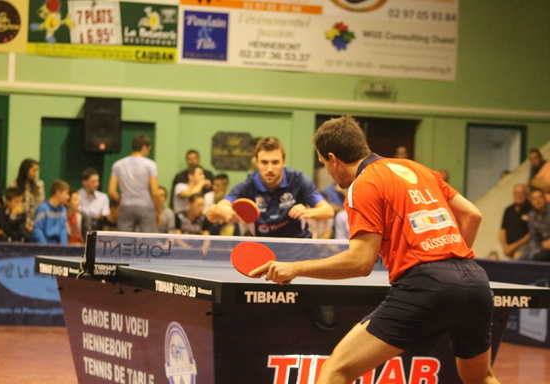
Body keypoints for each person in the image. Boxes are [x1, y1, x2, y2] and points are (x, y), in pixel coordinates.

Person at [252, 116, 500, 384]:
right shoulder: (415, 168)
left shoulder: (364, 184)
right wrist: (448, 261)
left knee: (336, 370)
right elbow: (472, 215)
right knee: (481, 378)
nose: (328, 170)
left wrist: (295, 268)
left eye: (324, 163)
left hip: (426, 285)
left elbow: (360, 262)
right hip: (474, 281)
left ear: (333, 159)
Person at [206, 137, 334, 238]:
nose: (269, 169)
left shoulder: (298, 180)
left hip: (298, 246)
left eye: (275, 162)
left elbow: (328, 211)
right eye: (264, 162)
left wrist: (307, 212)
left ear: (283, 161)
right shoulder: (248, 185)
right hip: (263, 247)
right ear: (256, 162)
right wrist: (221, 211)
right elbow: (212, 214)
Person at [108, 134, 162, 233]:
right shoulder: (150, 165)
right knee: (149, 242)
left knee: (124, 241)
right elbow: (155, 192)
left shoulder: (118, 165)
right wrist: (159, 211)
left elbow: (111, 191)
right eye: (148, 149)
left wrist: (121, 199)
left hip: (126, 205)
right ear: (144, 147)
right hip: (145, 206)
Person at [30, 179, 70, 244]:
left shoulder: (63, 210)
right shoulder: (43, 208)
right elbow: (37, 230)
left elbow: (63, 230)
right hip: (44, 247)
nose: (68, 197)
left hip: (58, 247)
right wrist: (46, 247)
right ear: (58, 193)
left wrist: (63, 246)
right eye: (66, 193)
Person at [499, 184, 531, 259]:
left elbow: (530, 234)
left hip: (524, 246)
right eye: (516, 193)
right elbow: (502, 231)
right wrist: (505, 247)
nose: (518, 196)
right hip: (507, 247)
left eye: (521, 193)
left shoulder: (531, 210)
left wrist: (513, 247)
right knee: (492, 257)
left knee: (517, 257)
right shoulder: (508, 210)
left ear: (526, 195)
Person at [12, 158, 45, 233]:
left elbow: (41, 205)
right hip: (20, 223)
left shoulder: (39, 185)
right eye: (34, 170)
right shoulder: (15, 186)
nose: (36, 173)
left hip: (36, 223)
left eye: (37, 171)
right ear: (26, 170)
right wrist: (25, 224)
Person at [524, 189, 550, 261]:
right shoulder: (531, 216)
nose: (538, 201)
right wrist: (533, 253)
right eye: (534, 199)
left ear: (544, 199)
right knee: (520, 261)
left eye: (540, 197)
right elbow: (533, 238)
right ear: (531, 202)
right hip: (541, 248)